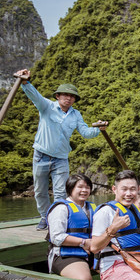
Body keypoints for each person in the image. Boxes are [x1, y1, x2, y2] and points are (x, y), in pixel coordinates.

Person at [14, 69, 108, 230]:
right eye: (65, 95)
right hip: (41, 156)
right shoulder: (47, 107)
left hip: (61, 158)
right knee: (40, 191)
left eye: (72, 96)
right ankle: (45, 217)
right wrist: (25, 82)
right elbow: (33, 95)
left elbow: (85, 132)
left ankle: (57, 220)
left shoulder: (76, 115)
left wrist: (99, 129)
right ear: (57, 96)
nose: (68, 98)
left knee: (60, 192)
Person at [90, 170, 140, 280]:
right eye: (124, 189)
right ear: (114, 189)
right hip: (114, 267)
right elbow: (94, 247)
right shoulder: (106, 212)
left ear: (138, 189)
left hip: (139, 263)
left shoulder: (135, 211)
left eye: (132, 189)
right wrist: (113, 229)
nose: (128, 193)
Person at [45, 173, 97, 280]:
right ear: (70, 188)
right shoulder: (61, 208)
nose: (84, 190)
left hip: (92, 253)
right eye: (80, 187)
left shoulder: (92, 208)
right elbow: (57, 237)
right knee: (85, 279)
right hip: (66, 255)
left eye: (87, 187)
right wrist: (84, 242)